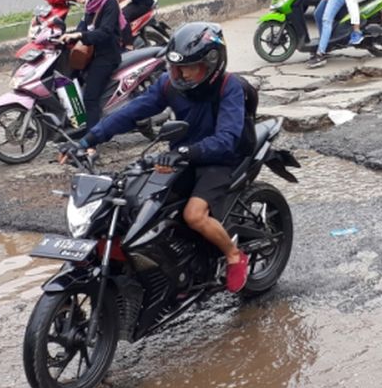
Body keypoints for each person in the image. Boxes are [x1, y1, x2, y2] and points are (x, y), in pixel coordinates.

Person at [64, 22, 251, 292]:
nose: (180, 75)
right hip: (180, 157)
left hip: (217, 159)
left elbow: (226, 139)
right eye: (175, 68)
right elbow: (131, 112)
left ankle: (234, 255)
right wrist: (89, 139)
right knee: (140, 202)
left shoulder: (228, 87)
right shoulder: (168, 84)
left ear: (211, 64)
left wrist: (186, 151)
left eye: (188, 68)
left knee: (194, 215)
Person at [60, 0, 127, 126]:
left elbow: (104, 32)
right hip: (90, 54)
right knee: (69, 77)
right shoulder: (91, 3)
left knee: (90, 98)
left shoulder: (109, 2)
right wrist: (65, 36)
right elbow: (82, 27)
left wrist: (80, 36)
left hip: (105, 56)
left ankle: (90, 141)